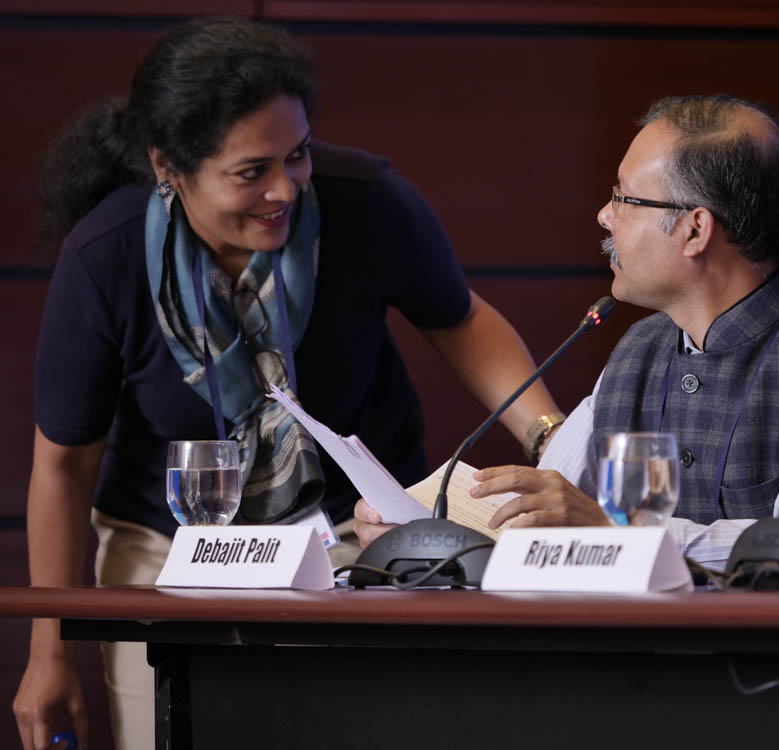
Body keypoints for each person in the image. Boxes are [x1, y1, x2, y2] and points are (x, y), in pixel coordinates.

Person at [13, 18, 565, 750]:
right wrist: (47, 651)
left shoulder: (363, 201)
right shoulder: (106, 257)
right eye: (251, 172)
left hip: (352, 528)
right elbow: (63, 465)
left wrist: (550, 439)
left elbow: (460, 319)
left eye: (297, 154)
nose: (283, 190)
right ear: (168, 167)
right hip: (168, 543)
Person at [356, 93, 779, 571]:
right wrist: (416, 529)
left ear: (695, 230)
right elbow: (546, 508)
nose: (604, 215)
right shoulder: (637, 352)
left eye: (624, 198)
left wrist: (617, 533)